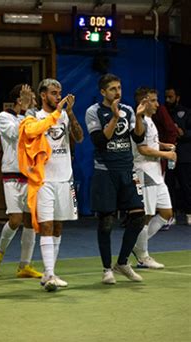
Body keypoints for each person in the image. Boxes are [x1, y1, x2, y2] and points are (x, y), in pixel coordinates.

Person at [85, 73, 146, 285]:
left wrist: (138, 117)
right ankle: (106, 269)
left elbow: (138, 137)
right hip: (105, 172)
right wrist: (114, 117)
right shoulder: (93, 112)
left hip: (127, 171)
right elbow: (101, 141)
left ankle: (122, 262)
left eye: (119, 88)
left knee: (139, 216)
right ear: (103, 92)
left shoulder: (128, 110)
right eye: (112, 89)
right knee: (106, 222)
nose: (118, 92)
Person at [28, 79, 83, 291]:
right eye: (53, 93)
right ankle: (49, 274)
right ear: (43, 95)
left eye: (59, 93)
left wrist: (69, 113)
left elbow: (79, 138)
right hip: (44, 179)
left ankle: (49, 272)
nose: (58, 97)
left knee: (59, 226)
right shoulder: (36, 117)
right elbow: (31, 135)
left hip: (64, 178)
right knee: (46, 225)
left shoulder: (64, 116)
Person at [0, 84, 42, 279]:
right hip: (12, 174)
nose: (34, 103)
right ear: (20, 100)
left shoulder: (33, 116)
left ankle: (24, 266)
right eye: (30, 99)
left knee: (30, 221)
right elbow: (18, 134)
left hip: (32, 175)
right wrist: (28, 112)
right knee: (15, 219)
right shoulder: (4, 117)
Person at [132, 87, 176, 269]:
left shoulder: (150, 120)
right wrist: (166, 155)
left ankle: (135, 245)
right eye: (154, 100)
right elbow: (142, 149)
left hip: (156, 173)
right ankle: (143, 256)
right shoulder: (139, 121)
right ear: (144, 102)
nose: (158, 104)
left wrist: (163, 145)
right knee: (147, 215)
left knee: (167, 213)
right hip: (144, 171)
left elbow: (150, 142)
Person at [165, 87, 191, 225]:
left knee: (186, 185)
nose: (168, 100)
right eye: (166, 97)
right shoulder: (162, 112)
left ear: (177, 97)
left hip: (184, 156)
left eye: (170, 97)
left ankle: (189, 212)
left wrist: (183, 133)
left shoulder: (186, 113)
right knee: (168, 186)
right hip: (168, 155)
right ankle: (171, 214)